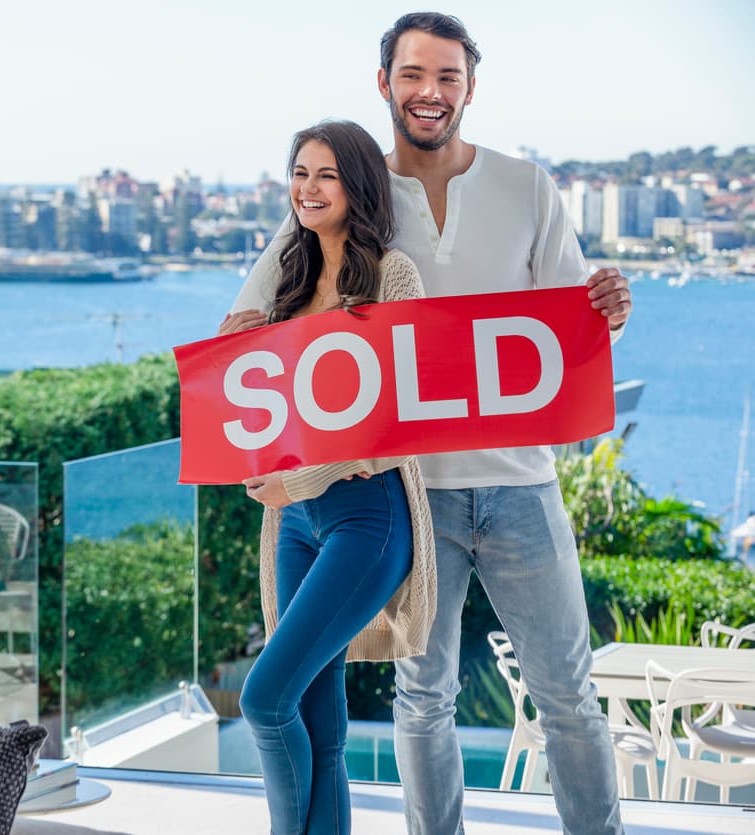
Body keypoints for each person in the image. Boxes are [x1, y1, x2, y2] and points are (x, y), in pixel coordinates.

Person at [229, 13, 633, 835]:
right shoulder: (347, 183)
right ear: (384, 83)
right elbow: (255, 315)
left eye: (447, 77)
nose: (429, 92)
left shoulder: (527, 187)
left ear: (468, 88)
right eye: (413, 74)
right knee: (423, 698)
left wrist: (610, 312)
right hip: (413, 495)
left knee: (568, 695)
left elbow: (570, 321)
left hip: (522, 483)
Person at [226, 119, 437, 835]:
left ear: (357, 187)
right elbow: (264, 403)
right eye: (299, 173)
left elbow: (393, 421)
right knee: (318, 717)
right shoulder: (287, 279)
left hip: (365, 518)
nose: (307, 189)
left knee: (263, 699)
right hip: (293, 522)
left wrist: (303, 482)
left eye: (326, 176)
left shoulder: (392, 274)